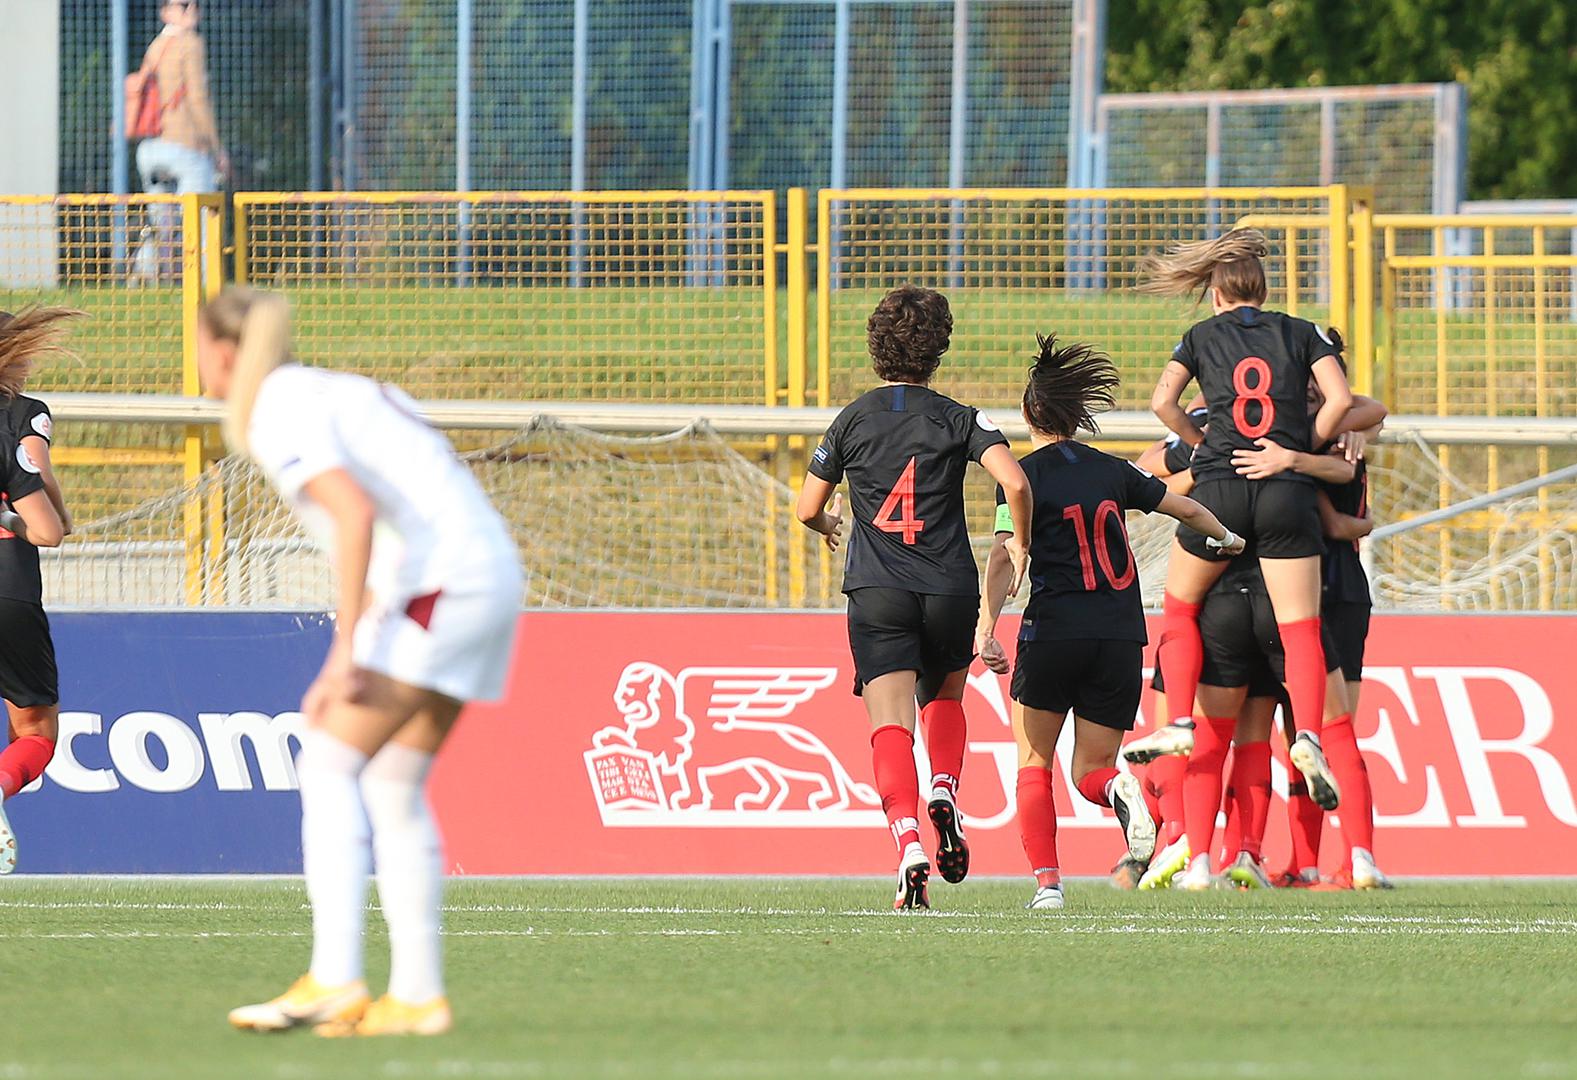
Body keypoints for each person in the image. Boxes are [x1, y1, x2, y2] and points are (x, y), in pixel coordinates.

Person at [205, 288, 523, 1037]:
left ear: (221, 352)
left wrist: (343, 652)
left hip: (441, 585)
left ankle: (335, 978)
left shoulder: (278, 404)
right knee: (392, 781)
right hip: (487, 577)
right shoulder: (339, 391)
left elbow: (351, 514)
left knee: (326, 759)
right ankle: (415, 997)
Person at [972, 334, 1243, 911]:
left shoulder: (1019, 479)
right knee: (1092, 768)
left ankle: (1048, 886)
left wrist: (986, 626)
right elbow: (1186, 508)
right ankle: (1118, 787)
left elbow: (1002, 555)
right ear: (1077, 415)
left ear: (1028, 415)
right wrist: (1228, 537)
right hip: (1119, 638)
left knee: (1034, 763)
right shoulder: (1112, 471)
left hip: (1053, 632)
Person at [796, 284, 1032, 911]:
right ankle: (947, 790)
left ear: (876, 347)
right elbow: (1013, 479)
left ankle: (907, 845)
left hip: (878, 590)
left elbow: (806, 507)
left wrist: (829, 525)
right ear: (939, 350)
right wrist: (1016, 539)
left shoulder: (852, 417)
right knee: (947, 698)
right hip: (949, 587)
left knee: (889, 724)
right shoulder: (962, 418)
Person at [1140, 229, 1353, 892]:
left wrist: (1202, 442)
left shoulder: (1201, 338)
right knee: (1300, 629)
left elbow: (1159, 402)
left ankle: (1177, 721)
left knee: (1179, 605)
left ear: (1215, 291)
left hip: (1223, 486)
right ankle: (1310, 736)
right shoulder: (1303, 332)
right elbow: (1343, 402)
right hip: (1286, 489)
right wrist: (1296, 442)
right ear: (1263, 287)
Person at [0, 309, 74, 874]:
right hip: (9, 584)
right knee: (36, 732)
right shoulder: (20, 416)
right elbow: (45, 526)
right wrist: (48, 518)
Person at [130, 0, 228, 284]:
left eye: (195, 5)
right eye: (183, 5)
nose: (192, 10)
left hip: (149, 150)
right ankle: (206, 283)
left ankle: (143, 278)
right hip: (182, 147)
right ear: (165, 12)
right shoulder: (190, 43)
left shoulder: (155, 47)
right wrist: (216, 147)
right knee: (199, 219)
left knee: (161, 223)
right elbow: (197, 98)